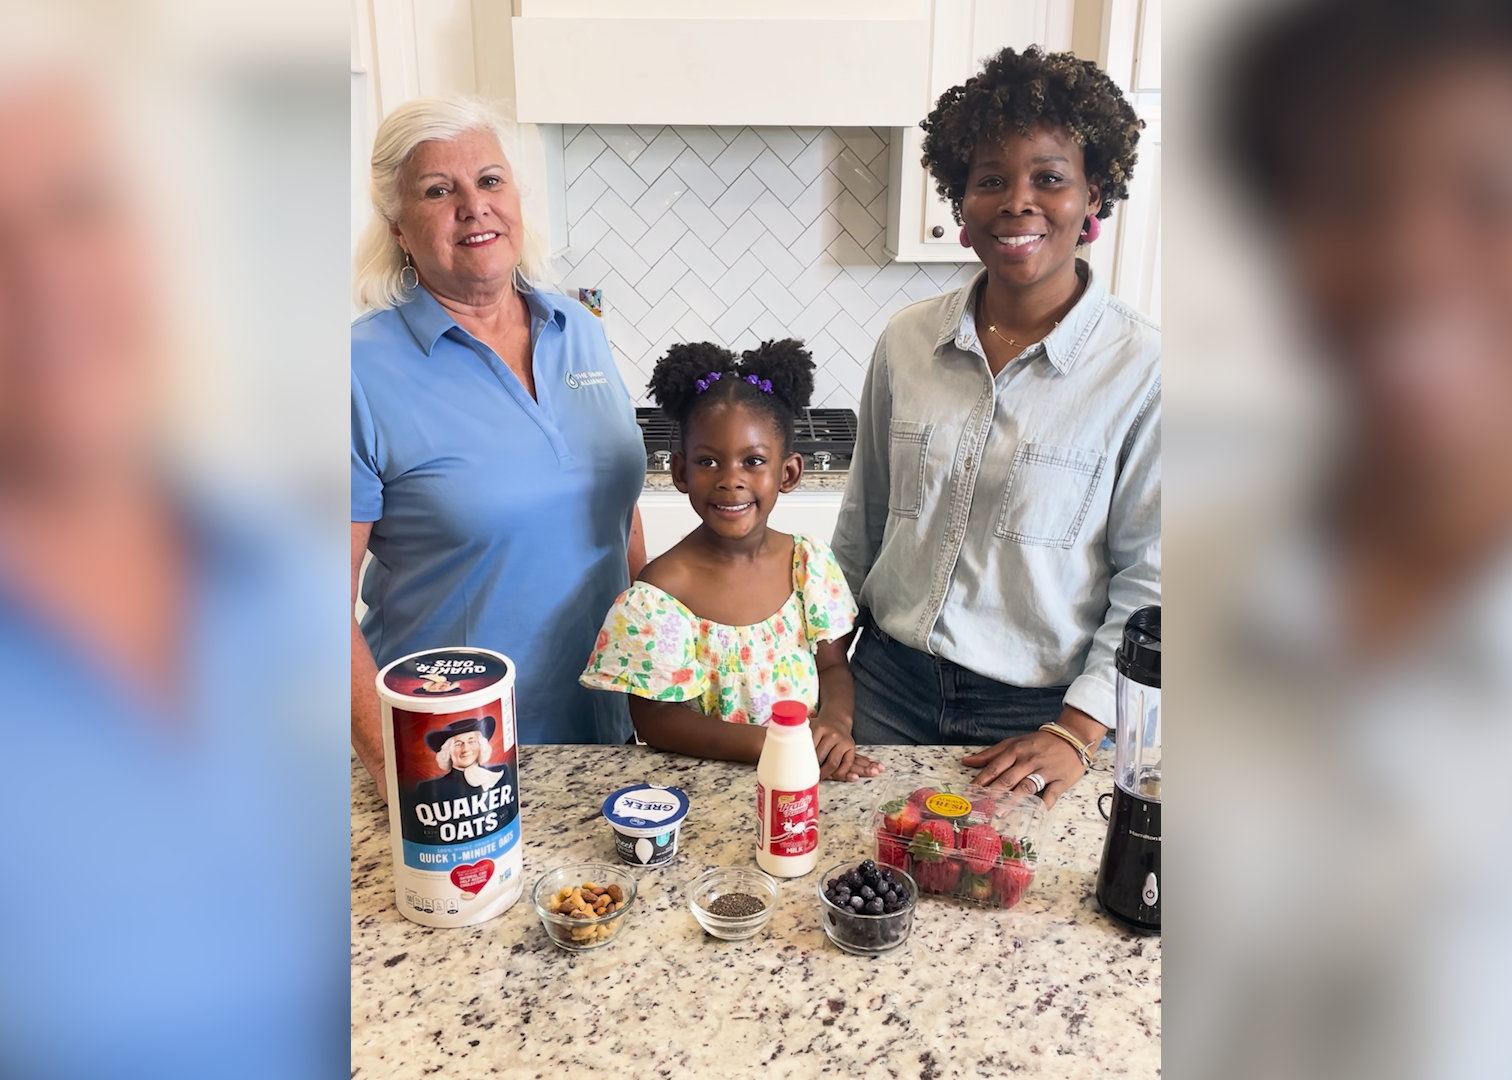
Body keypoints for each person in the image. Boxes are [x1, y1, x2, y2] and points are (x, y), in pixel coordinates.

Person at [831, 46, 1159, 808]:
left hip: (1035, 722)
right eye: (990, 180)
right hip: (884, 691)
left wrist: (1081, 729)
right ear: (961, 203)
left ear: (1093, 195)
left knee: (1003, 915)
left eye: (1049, 177)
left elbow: (1156, 581)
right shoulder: (908, 342)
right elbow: (862, 527)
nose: (1018, 201)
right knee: (862, 898)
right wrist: (827, 673)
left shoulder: (1146, 369)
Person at [351, 96, 647, 781]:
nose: (473, 205)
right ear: (397, 226)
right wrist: (401, 779)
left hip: (602, 734)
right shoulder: (358, 372)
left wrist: (652, 694)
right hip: (452, 757)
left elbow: (619, 517)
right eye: (437, 190)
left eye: (489, 180)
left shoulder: (580, 330)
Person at [580, 340, 882, 782]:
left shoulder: (808, 566)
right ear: (681, 472)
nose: (730, 481)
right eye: (708, 462)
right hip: (707, 788)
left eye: (753, 461)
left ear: (789, 473)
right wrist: (780, 745)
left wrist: (834, 725)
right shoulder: (660, 594)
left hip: (803, 779)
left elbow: (832, 665)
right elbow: (657, 722)